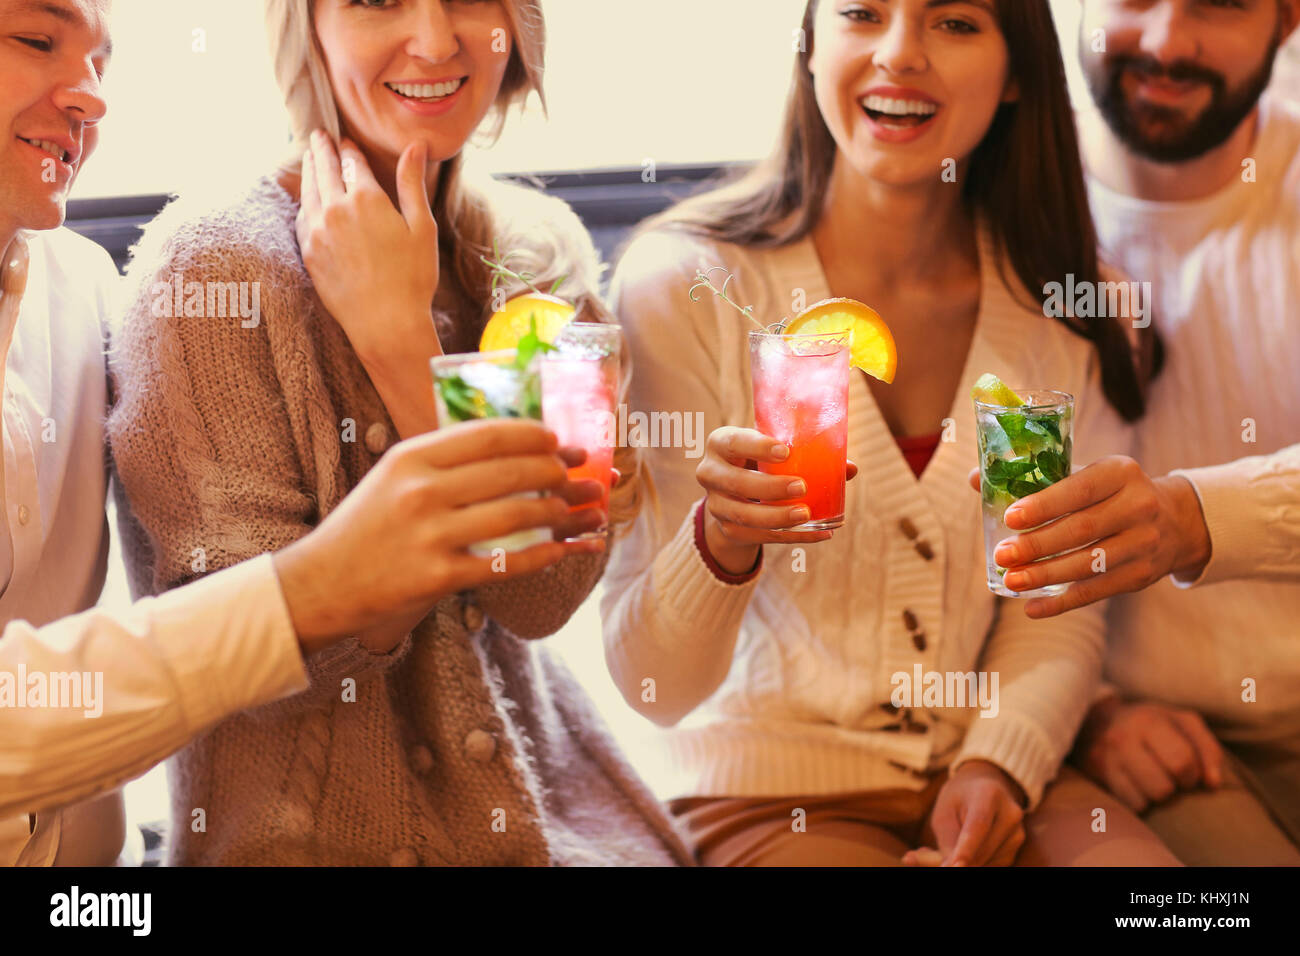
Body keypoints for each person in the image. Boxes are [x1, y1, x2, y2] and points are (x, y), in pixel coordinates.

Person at [0, 0, 600, 867]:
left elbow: (542, 596)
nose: (434, 39)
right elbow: (255, 681)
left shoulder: (541, 264)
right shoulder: (212, 270)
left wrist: (404, 345)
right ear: (303, 28)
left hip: (564, 835)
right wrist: (348, 579)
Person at [601, 0, 1179, 866]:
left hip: (986, 778)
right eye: (863, 13)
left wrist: (998, 765)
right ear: (810, 42)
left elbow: (1053, 605)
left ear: (1019, 69)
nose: (899, 55)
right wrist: (720, 543)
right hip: (760, 791)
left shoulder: (1060, 303)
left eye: (953, 23)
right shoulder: (685, 287)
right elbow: (653, 689)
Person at [985, 0, 1300, 864]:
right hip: (1153, 742)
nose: (1165, 41)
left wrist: (1195, 518)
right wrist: (1090, 712)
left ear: (1287, 20)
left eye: (1219, 3)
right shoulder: (995, 206)